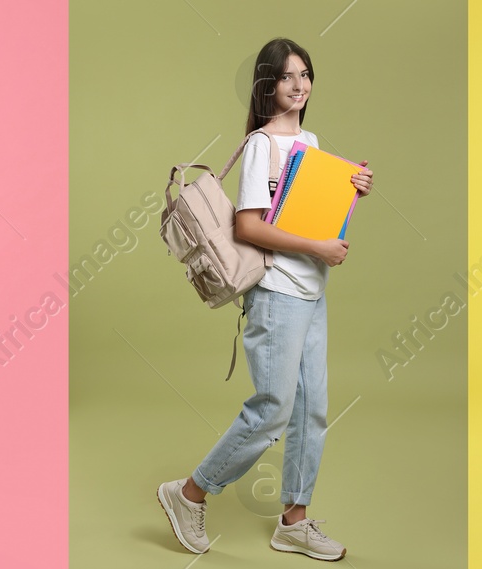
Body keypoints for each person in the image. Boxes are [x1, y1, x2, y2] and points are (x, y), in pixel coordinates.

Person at [156, 37, 373, 562]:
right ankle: (189, 493)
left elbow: (306, 215)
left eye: (305, 75)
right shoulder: (260, 145)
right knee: (273, 411)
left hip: (311, 290)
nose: (299, 86)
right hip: (277, 293)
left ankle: (294, 522)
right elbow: (249, 226)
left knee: (312, 412)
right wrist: (318, 247)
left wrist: (350, 195)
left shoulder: (312, 139)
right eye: (286, 78)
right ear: (266, 86)